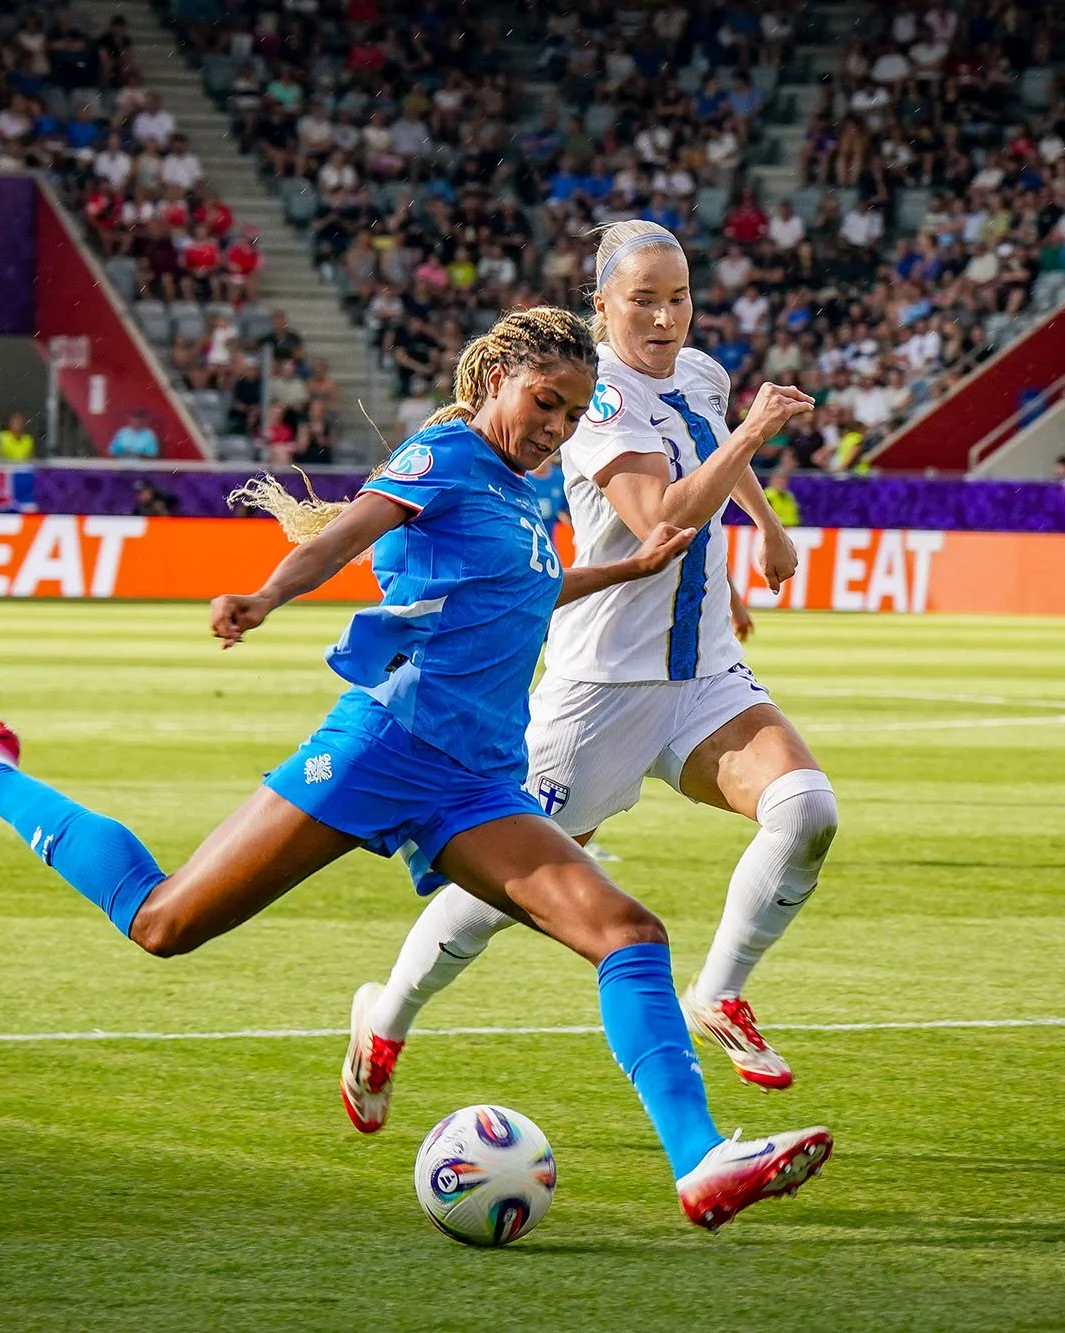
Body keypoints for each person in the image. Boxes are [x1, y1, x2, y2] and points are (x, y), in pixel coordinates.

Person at [0, 307, 831, 1231]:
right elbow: (343, 533)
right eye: (546, 402)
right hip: (384, 747)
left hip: (477, 781)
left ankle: (701, 1160)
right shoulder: (447, 454)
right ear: (499, 379)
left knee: (627, 931)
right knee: (163, 922)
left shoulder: (527, 489)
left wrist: (616, 574)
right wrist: (266, 594)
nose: (557, 427)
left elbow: (520, 593)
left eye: (575, 414)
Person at [344, 218, 830, 1136]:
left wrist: (764, 521)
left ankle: (717, 994)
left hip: (701, 673)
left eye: (678, 297)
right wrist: (761, 434)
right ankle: (386, 1016)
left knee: (806, 809)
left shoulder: (700, 374)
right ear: (600, 306)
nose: (663, 317)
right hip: (599, 689)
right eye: (641, 300)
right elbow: (662, 513)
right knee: (499, 896)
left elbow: (713, 439)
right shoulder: (597, 401)